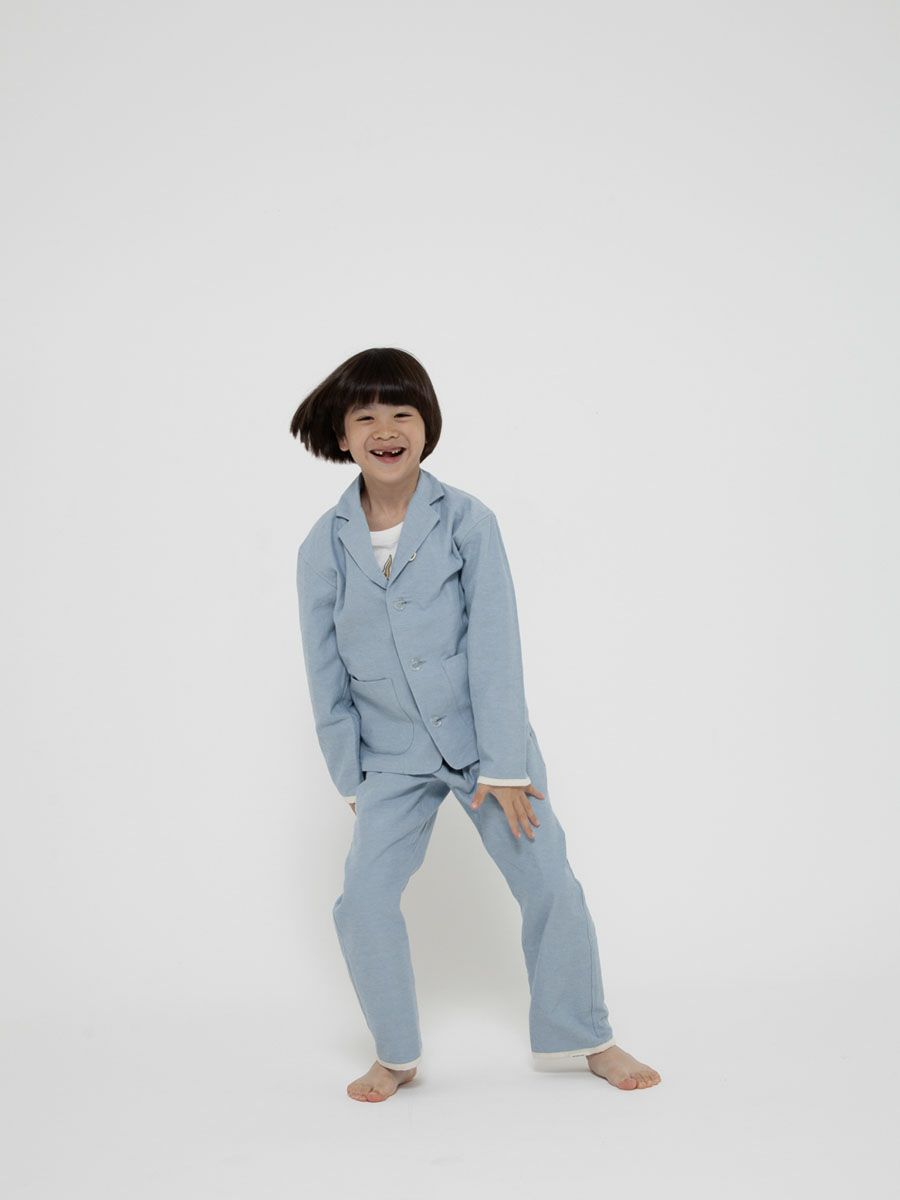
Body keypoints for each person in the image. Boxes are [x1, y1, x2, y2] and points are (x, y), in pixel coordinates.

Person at [290, 347, 661, 1102]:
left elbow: (496, 644)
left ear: (427, 426)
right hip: (389, 757)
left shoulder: (467, 521)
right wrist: (352, 777)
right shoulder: (321, 546)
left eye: (403, 413)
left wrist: (504, 765)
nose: (386, 430)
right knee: (362, 900)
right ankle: (395, 1053)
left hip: (484, 747)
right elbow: (323, 670)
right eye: (366, 417)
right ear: (342, 435)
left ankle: (587, 1036)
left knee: (549, 882)